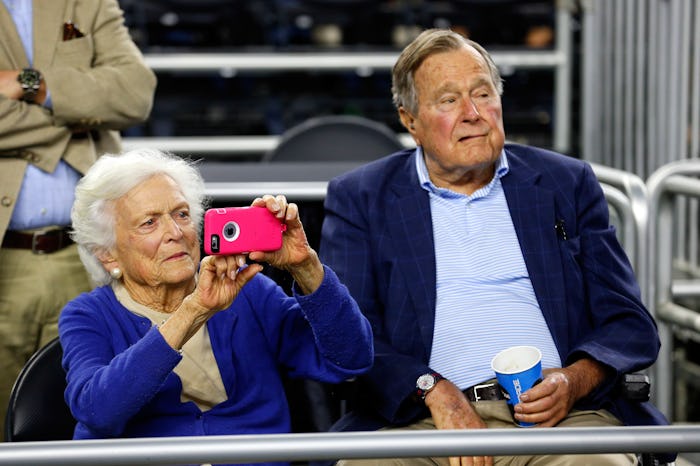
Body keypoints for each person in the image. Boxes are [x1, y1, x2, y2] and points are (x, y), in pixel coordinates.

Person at [319, 28, 671, 466]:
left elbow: (628, 323)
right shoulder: (362, 198)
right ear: (410, 121)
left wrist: (573, 381)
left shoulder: (565, 183)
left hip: (565, 419)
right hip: (420, 421)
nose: (472, 113)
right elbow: (352, 336)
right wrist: (434, 392)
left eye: (482, 94)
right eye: (449, 100)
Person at [58, 148, 373, 466]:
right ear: (108, 254)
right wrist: (193, 311)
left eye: (182, 214)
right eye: (149, 223)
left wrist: (306, 267)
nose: (175, 233)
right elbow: (98, 411)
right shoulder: (87, 316)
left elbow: (350, 359)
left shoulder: (248, 290)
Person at [0, 0, 156, 437]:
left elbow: (135, 93)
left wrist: (29, 84)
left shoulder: (87, 2)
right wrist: (77, 120)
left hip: (92, 255)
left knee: (97, 418)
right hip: (6, 258)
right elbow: (111, 101)